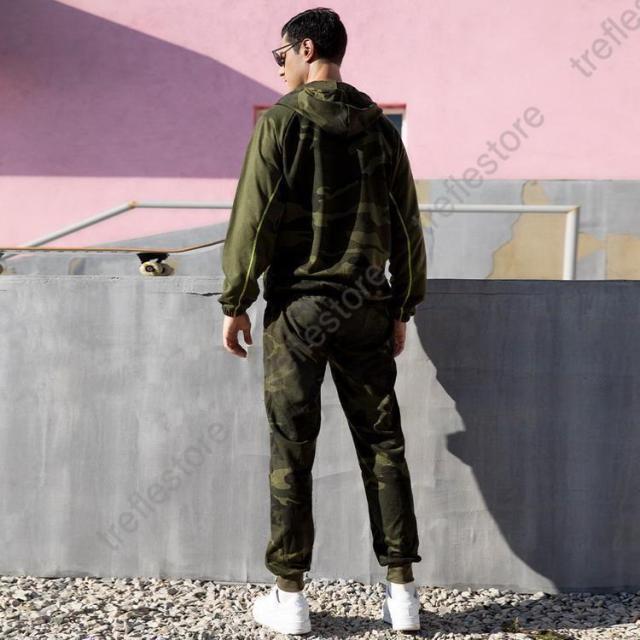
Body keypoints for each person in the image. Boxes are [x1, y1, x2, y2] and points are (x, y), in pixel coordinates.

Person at [218, 7, 427, 635]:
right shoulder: (380, 128)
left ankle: (291, 599)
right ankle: (402, 595)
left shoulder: (281, 123)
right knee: (383, 443)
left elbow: (253, 219)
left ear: (306, 49)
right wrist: (402, 304)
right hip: (366, 307)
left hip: (299, 311)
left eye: (280, 53)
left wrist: (235, 300)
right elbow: (407, 224)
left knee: (292, 446)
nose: (278, 64)